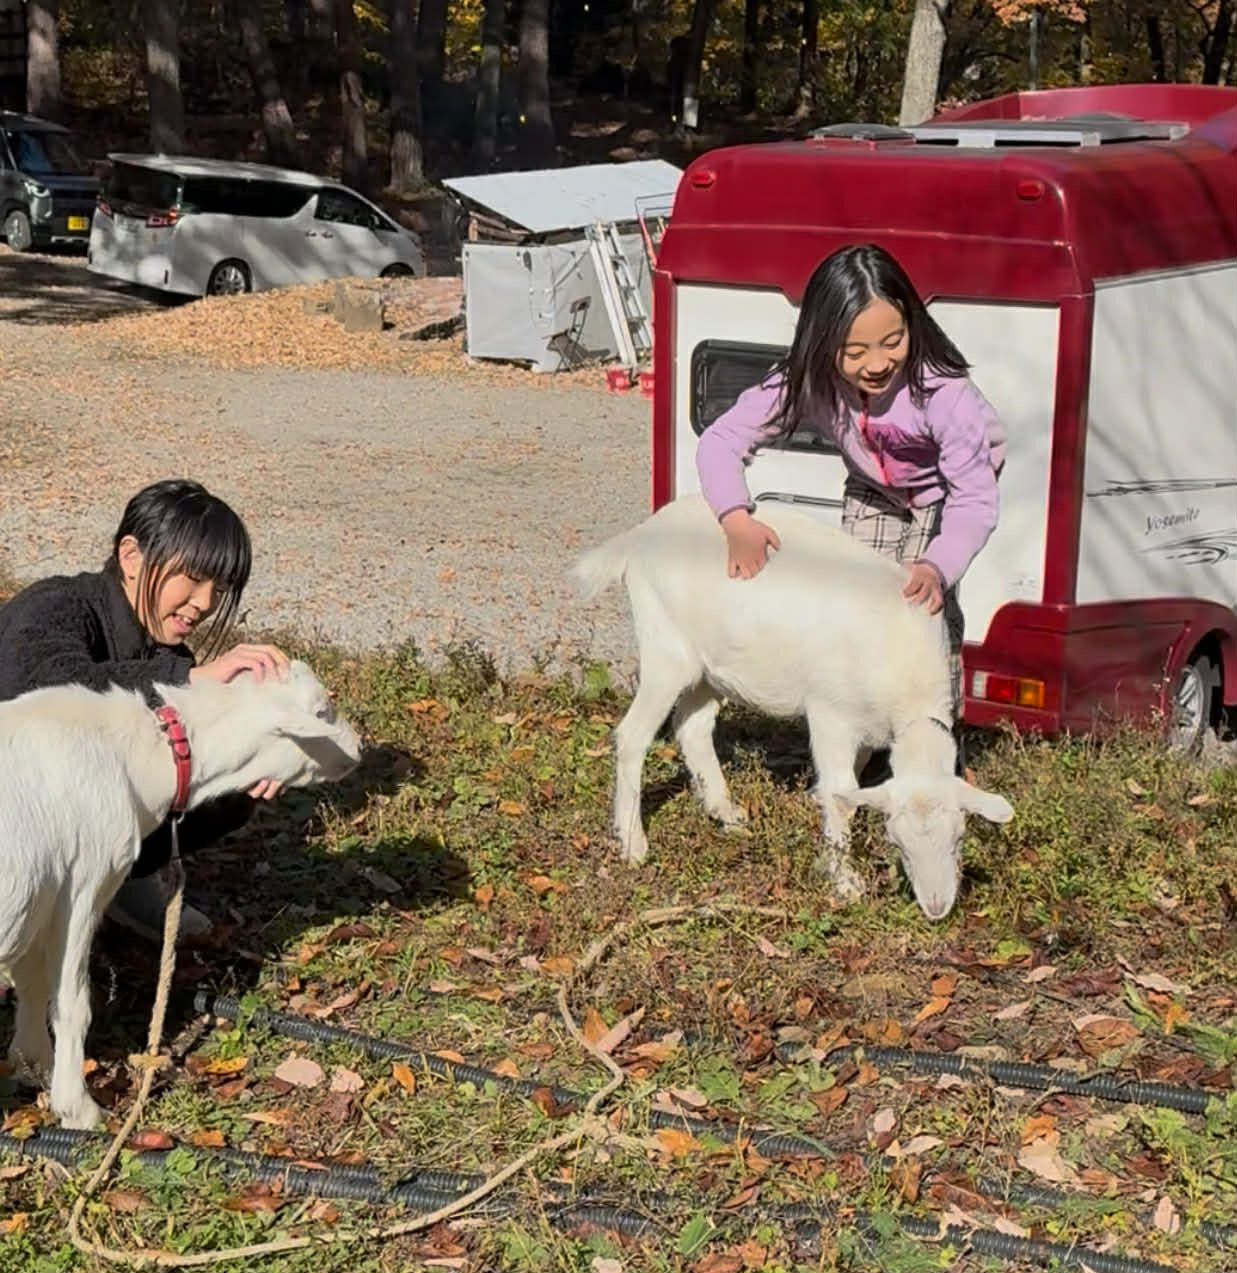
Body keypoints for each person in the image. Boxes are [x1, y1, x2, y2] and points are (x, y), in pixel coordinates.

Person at [695, 242, 1006, 718]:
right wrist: (736, 520)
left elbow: (975, 500)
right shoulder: (807, 380)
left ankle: (935, 747)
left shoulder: (944, 392)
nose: (878, 364)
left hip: (941, 493)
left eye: (893, 341)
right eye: (855, 351)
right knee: (862, 608)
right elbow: (721, 439)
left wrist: (937, 567)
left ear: (912, 324)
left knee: (924, 615)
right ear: (821, 343)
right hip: (873, 489)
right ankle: (866, 736)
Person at [0, 479, 289, 943]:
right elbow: (46, 688)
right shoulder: (55, 605)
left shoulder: (167, 655)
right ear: (131, 556)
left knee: (224, 779)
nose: (205, 604)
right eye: (193, 579)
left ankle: (121, 879)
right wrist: (187, 683)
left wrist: (260, 751)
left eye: (219, 588)